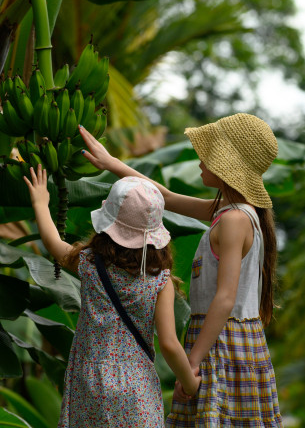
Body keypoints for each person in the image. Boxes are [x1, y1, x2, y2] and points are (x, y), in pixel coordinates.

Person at [78, 112, 283, 427]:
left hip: (222, 340)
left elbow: (225, 298)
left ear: (228, 165)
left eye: (209, 153)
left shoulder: (233, 219)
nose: (200, 159)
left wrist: (192, 362)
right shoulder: (229, 210)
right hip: (219, 337)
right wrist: (113, 163)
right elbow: (168, 198)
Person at [23, 169, 201, 428]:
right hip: (136, 386)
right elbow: (170, 345)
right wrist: (190, 383)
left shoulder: (90, 265)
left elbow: (52, 243)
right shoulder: (160, 281)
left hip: (89, 381)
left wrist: (40, 202)